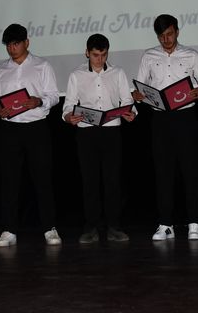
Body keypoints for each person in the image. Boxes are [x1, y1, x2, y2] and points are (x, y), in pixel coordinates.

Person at [131, 14, 198, 241]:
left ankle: (194, 223)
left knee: (190, 170)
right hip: (160, 119)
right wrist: (137, 95)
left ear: (177, 31)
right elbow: (139, 87)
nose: (166, 39)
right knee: (163, 172)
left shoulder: (191, 55)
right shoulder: (149, 56)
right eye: (161, 36)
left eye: (169, 34)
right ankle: (166, 224)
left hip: (186, 117)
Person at [0, 23, 61, 247]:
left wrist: (38, 101)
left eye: (16, 43)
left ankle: (49, 228)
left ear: (26, 42)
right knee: (9, 180)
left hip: (36, 127)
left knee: (42, 178)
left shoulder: (42, 65)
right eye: (8, 45)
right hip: (9, 130)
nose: (12, 48)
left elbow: (54, 96)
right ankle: (9, 230)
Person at [62, 34, 136, 243]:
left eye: (104, 55)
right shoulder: (76, 75)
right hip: (86, 132)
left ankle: (114, 226)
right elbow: (68, 105)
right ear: (87, 53)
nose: (100, 59)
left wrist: (131, 113)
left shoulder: (118, 72)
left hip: (112, 131)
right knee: (90, 181)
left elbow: (127, 100)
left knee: (113, 180)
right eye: (95, 55)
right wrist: (68, 116)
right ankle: (90, 227)